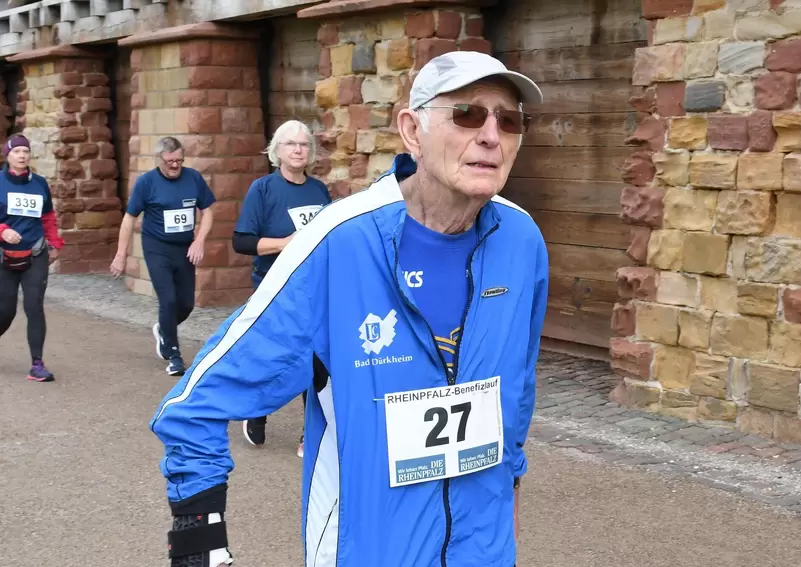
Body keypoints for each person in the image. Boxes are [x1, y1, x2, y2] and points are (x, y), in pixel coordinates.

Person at [151, 51, 548, 567]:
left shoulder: (522, 240)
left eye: (510, 120)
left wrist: (510, 486)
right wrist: (199, 546)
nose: (492, 136)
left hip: (483, 548)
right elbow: (195, 406)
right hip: (369, 548)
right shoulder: (338, 244)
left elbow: (515, 386)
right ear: (412, 130)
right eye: (468, 114)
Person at [231, 120, 332, 455]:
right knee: (277, 357)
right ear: (277, 151)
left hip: (313, 289)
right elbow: (242, 242)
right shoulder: (263, 189)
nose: (299, 149)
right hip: (274, 288)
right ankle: (257, 410)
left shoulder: (319, 191)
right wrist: (286, 244)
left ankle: (310, 433)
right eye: (291, 144)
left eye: (304, 144)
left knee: (314, 359)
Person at [110, 136, 216, 377]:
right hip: (157, 247)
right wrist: (121, 255)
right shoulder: (147, 183)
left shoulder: (193, 178)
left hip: (185, 247)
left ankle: (163, 330)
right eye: (170, 161)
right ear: (159, 159)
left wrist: (200, 240)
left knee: (186, 304)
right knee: (168, 300)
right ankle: (174, 355)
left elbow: (208, 211)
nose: (175, 165)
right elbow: (129, 219)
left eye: (179, 160)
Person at [0, 134, 64, 382]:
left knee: (34, 306)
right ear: (8, 155)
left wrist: (55, 244)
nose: (22, 156)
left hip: (35, 253)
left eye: (25, 151)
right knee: (5, 311)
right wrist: (4, 231)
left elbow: (47, 217)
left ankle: (37, 364)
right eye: (17, 152)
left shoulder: (39, 183)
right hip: (5, 256)